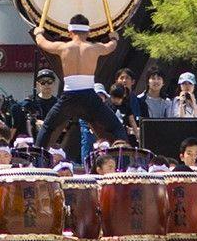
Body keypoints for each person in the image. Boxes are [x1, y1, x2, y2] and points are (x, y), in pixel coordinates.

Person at [32, 14, 129, 158]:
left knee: (47, 127)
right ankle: (126, 162)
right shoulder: (95, 48)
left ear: (70, 32)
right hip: (89, 97)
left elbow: (42, 43)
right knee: (116, 127)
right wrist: (114, 37)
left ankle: (36, 161)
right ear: (88, 33)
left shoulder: (63, 47)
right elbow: (111, 47)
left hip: (69, 97)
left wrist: (38, 32)